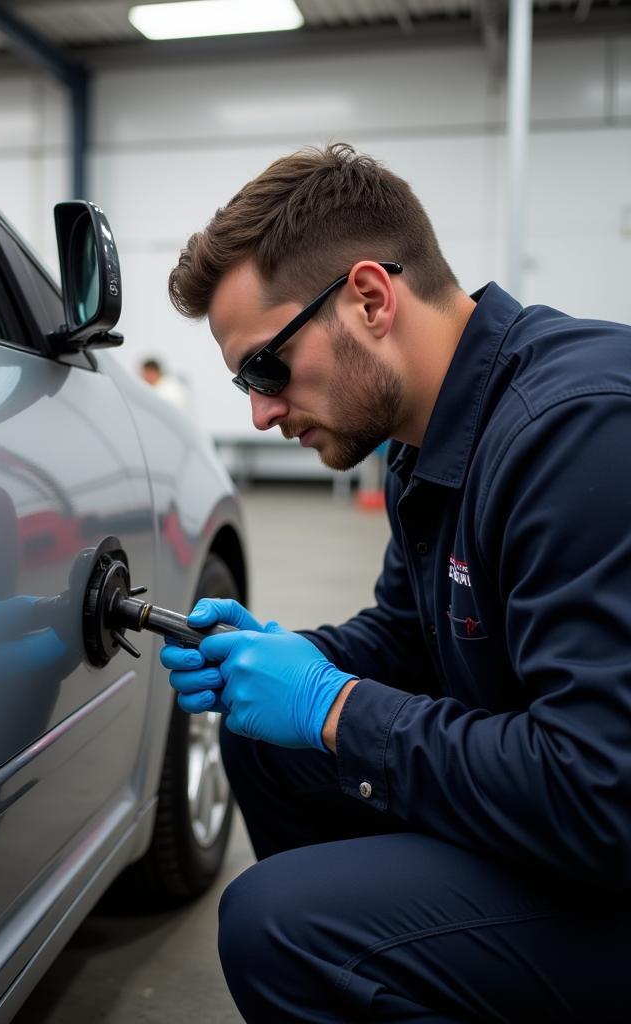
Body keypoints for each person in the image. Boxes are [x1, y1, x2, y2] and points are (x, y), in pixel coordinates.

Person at [161, 143, 631, 1022]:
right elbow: (413, 638)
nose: (258, 411)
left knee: (281, 927)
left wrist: (334, 708)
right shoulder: (428, 443)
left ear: (370, 298)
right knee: (268, 745)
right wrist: (288, 657)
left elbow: (598, 792)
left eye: (265, 368)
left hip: (609, 839)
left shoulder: (577, 435)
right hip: (579, 823)